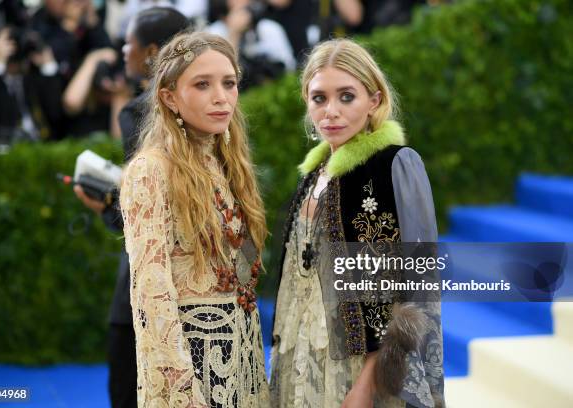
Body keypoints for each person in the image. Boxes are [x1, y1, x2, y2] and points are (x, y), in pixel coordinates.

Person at [269, 38, 443, 408]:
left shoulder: (394, 165)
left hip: (357, 366)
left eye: (346, 96)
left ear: (374, 100)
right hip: (299, 353)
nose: (331, 111)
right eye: (319, 98)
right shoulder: (314, 173)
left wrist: (369, 381)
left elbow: (410, 287)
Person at [119, 31, 270, 407]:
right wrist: (181, 387)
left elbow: (242, 272)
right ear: (169, 97)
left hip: (245, 356)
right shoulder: (150, 171)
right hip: (190, 365)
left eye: (229, 83)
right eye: (202, 85)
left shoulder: (229, 165)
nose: (221, 97)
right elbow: (150, 293)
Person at [72, 7, 191, 408]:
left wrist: (104, 204)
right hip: (208, 284)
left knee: (128, 391)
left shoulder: (141, 111)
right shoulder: (214, 108)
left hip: (147, 285)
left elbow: (146, 213)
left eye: (129, 42)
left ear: (152, 51)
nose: (123, 50)